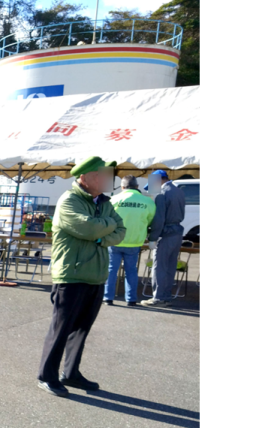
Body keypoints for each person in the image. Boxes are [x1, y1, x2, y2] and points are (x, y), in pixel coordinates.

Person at [37, 157, 125, 397]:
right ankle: (47, 375)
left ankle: (71, 373)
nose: (108, 178)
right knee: (61, 328)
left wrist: (99, 236)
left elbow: (121, 230)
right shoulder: (69, 200)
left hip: (95, 275)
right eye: (102, 174)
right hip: (72, 275)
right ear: (85, 177)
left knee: (82, 328)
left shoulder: (104, 202)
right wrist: (101, 230)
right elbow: (88, 228)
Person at [104, 175, 155, 306]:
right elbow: (149, 221)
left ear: (122, 187)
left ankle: (107, 298)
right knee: (131, 271)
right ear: (137, 186)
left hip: (114, 240)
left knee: (111, 270)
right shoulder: (148, 201)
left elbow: (106, 219)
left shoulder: (113, 199)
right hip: (135, 241)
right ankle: (131, 299)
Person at [140, 169, 186, 306]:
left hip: (166, 233)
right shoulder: (179, 191)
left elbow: (159, 219)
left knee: (159, 266)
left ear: (159, 180)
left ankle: (158, 297)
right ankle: (166, 296)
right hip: (177, 232)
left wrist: (153, 238)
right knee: (170, 266)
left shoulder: (161, 194)